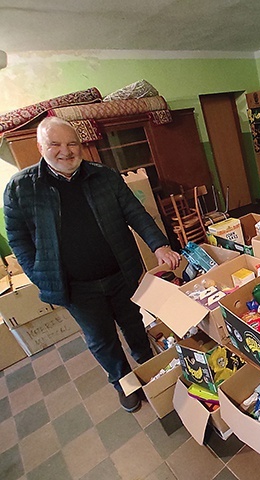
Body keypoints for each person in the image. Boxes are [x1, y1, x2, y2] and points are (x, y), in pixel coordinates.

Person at [3, 117, 181, 412]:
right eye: (55, 144)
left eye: (72, 143)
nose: (65, 151)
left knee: (134, 324)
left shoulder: (104, 176)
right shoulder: (21, 188)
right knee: (102, 340)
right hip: (76, 287)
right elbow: (18, 239)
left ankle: (150, 367)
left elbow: (135, 212)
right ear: (40, 147)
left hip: (121, 273)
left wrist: (159, 245)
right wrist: (39, 275)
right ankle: (124, 383)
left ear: (80, 145)